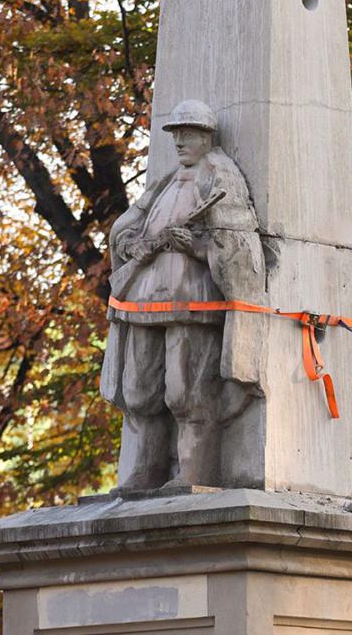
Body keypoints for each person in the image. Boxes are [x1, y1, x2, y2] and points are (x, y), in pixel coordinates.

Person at [100, 99, 266, 490]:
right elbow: (128, 227)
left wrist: (193, 245)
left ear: (207, 137)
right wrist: (132, 245)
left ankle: (193, 471)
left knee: (185, 391)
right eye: (175, 134)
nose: (179, 142)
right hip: (143, 301)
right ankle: (146, 468)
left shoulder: (221, 178)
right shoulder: (165, 181)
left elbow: (236, 246)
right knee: (139, 389)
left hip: (193, 301)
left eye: (187, 134)